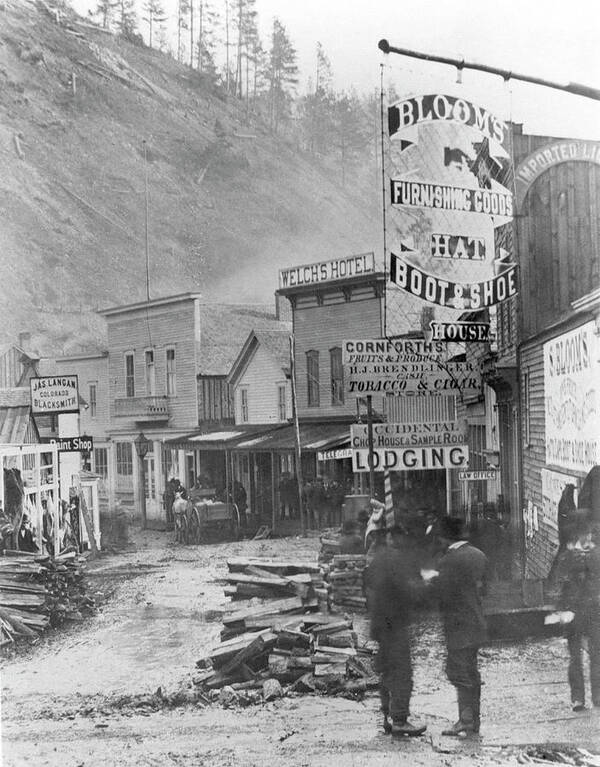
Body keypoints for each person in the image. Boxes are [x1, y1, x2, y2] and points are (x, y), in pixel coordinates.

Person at [366, 509, 427, 738]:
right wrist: (424, 588)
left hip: (380, 626)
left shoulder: (379, 558)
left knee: (386, 671)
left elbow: (369, 583)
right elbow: (408, 591)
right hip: (395, 625)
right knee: (402, 672)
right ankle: (400, 719)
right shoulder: (397, 559)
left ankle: (386, 716)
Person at [434, 516, 488, 737]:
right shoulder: (479, 555)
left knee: (458, 672)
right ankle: (474, 720)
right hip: (476, 621)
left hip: (457, 626)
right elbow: (485, 589)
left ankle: (465, 721)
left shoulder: (447, 561)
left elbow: (442, 597)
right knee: (472, 672)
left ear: (445, 538)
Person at [557, 513, 600, 711]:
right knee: (585, 657)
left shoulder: (579, 555)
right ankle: (587, 697)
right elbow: (560, 584)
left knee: (586, 657)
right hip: (583, 611)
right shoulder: (574, 555)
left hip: (584, 611)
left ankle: (586, 697)